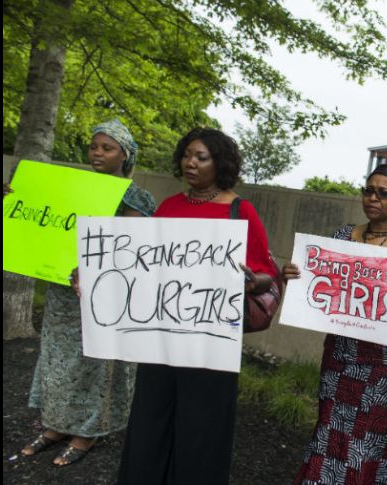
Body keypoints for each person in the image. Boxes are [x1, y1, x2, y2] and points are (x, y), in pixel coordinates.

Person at [116, 127, 278, 485]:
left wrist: (256, 280)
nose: (191, 162)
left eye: (201, 157)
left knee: (201, 424)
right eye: (187, 155)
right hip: (161, 339)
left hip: (210, 342)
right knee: (151, 417)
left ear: (219, 163)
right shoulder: (169, 206)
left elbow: (267, 274)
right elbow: (142, 264)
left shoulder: (241, 211)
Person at [283, 164, 387, 485]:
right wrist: (296, 279)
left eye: (384, 194)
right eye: (368, 190)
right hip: (340, 358)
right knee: (329, 433)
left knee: (372, 442)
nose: (372, 198)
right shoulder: (341, 237)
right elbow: (318, 287)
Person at [18, 119, 157, 467]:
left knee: (98, 363)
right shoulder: (71, 187)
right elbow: (42, 220)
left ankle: (88, 432)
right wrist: (15, 198)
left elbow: (132, 247)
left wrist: (94, 266)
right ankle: (57, 426)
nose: (97, 152)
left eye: (107, 147)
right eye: (94, 146)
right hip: (63, 290)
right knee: (59, 358)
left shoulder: (137, 197)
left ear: (125, 155)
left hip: (104, 293)